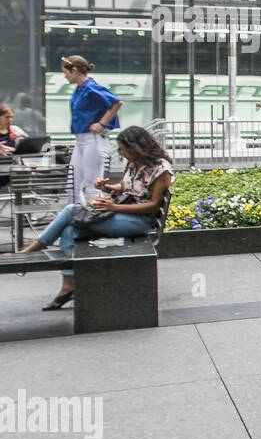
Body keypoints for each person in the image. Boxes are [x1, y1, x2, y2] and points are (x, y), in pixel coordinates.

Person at [18, 126, 174, 312]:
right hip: (123, 214)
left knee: (71, 210)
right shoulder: (134, 163)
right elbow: (126, 187)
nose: (122, 154)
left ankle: (33, 249)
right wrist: (107, 187)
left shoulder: (160, 169)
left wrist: (114, 207)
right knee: (69, 231)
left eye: (124, 150)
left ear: (137, 147)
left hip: (140, 221)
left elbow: (154, 205)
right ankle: (68, 287)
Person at [61, 55, 121, 208]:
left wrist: (101, 124)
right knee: (72, 185)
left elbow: (116, 103)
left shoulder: (91, 87)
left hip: (92, 139)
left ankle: (99, 221)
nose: (65, 75)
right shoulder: (82, 89)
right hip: (82, 140)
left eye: (66, 72)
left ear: (74, 70)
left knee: (92, 185)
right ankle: (78, 218)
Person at [0, 102, 28, 189]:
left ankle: (21, 199)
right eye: (7, 117)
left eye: (11, 117)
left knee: (25, 173)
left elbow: (30, 144)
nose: (10, 120)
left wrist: (22, 136)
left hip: (12, 168)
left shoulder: (15, 129)